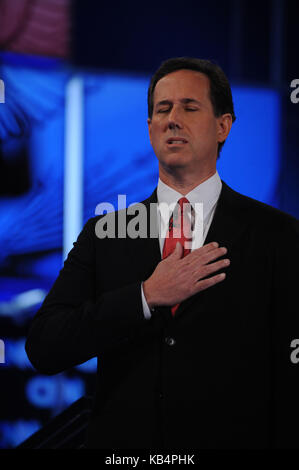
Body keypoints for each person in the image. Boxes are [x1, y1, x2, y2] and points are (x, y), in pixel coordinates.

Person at [25, 57, 299, 449]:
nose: (173, 119)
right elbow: (44, 347)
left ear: (223, 126)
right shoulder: (105, 234)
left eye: (190, 107)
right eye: (162, 109)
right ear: (150, 128)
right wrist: (145, 296)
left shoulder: (278, 234)